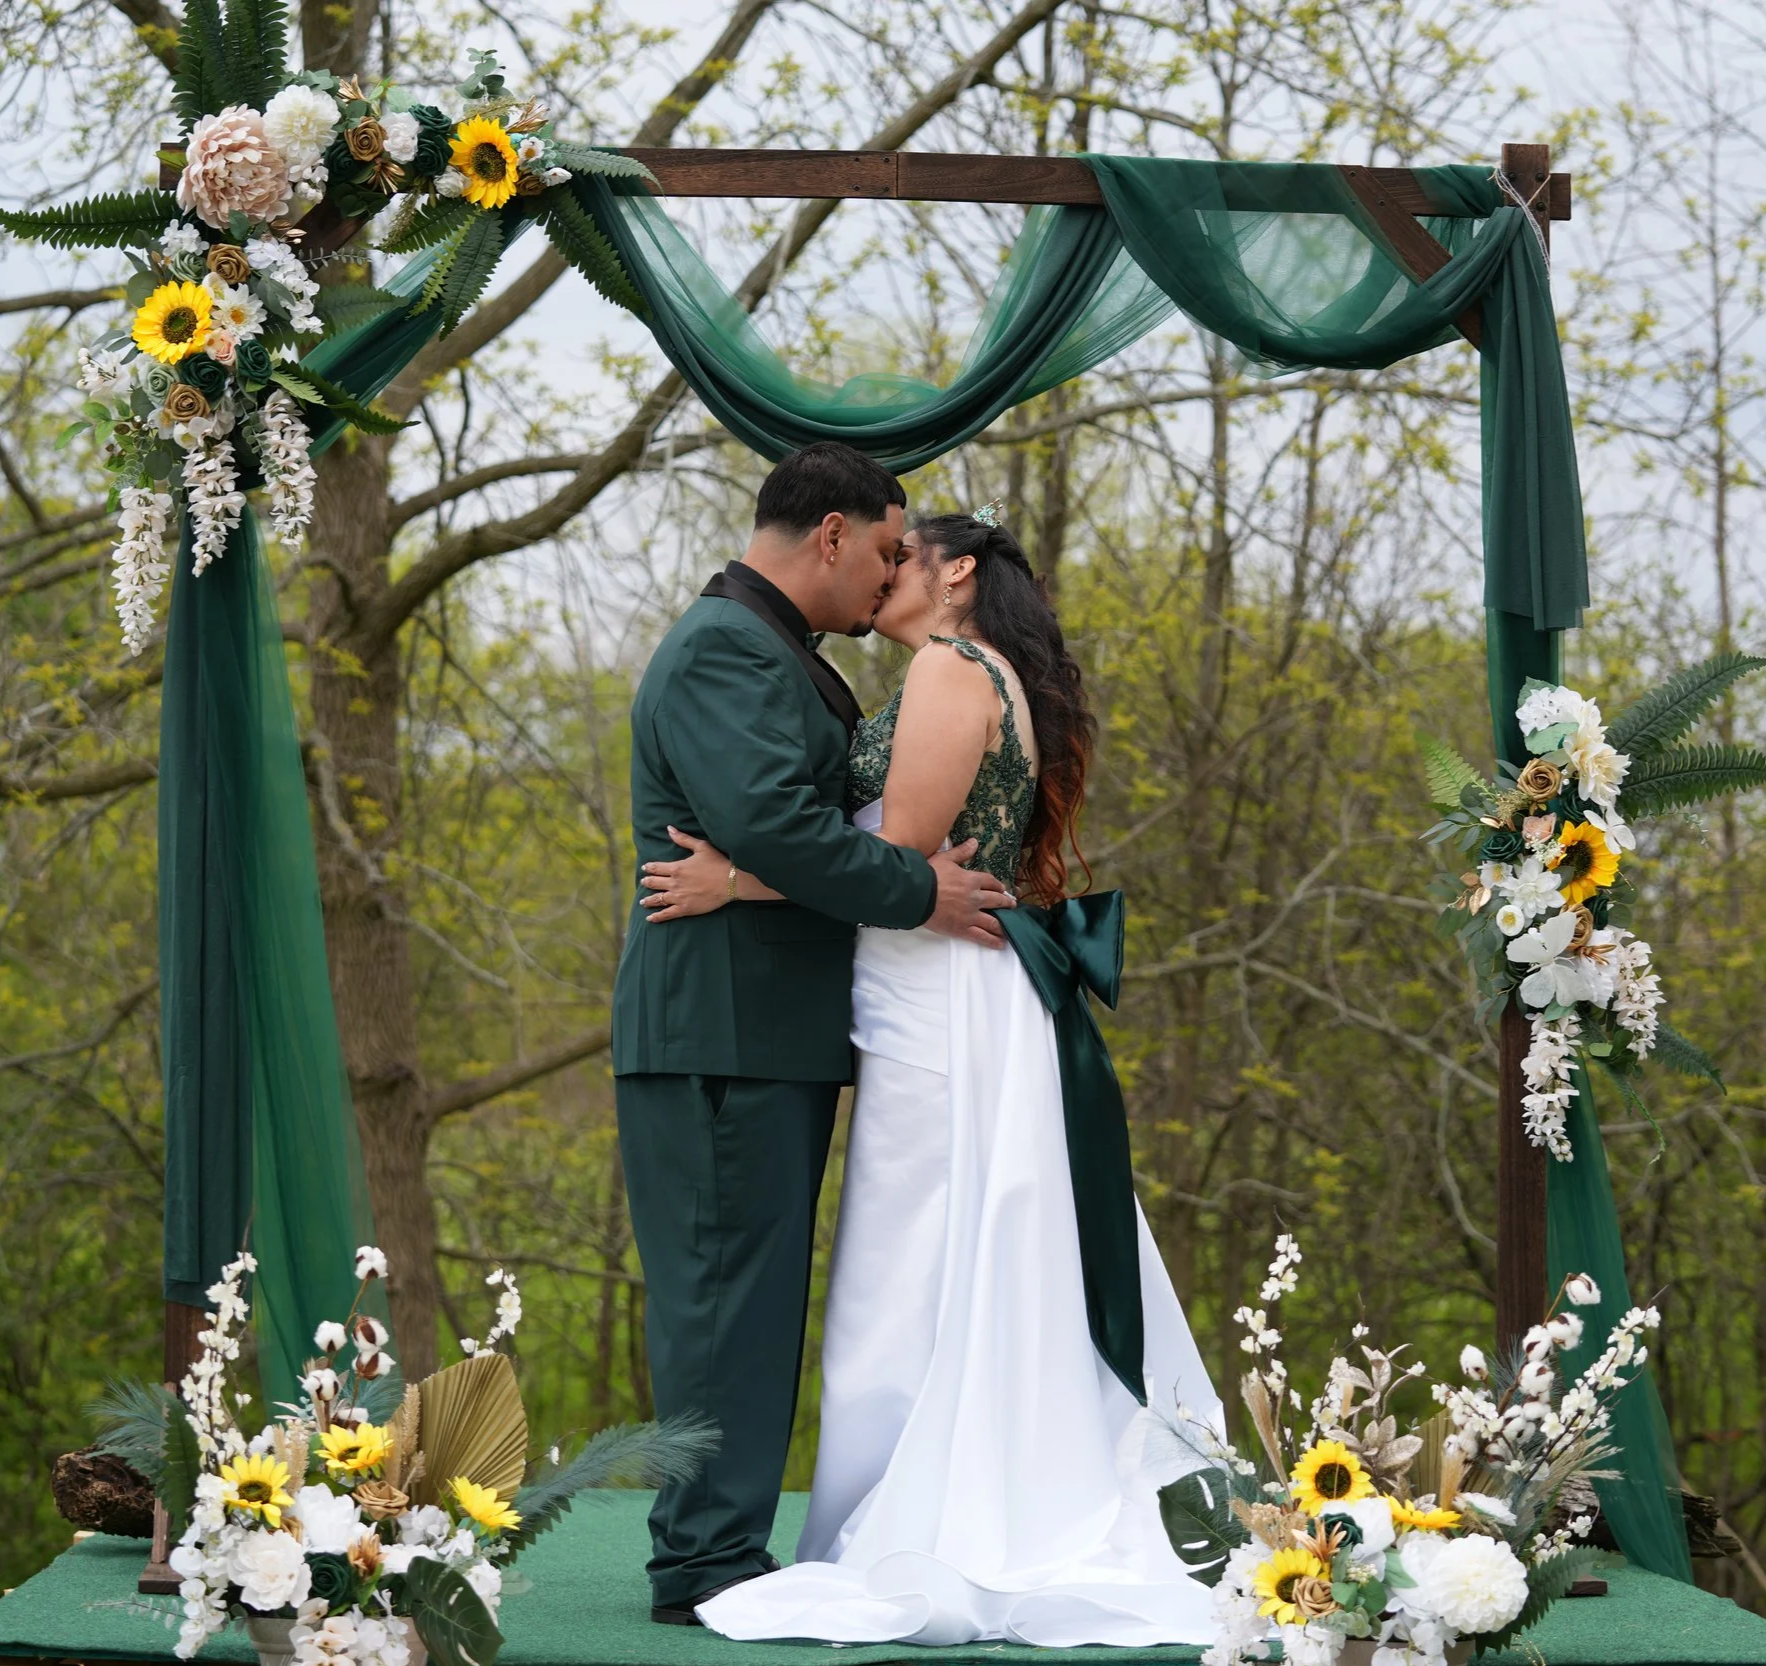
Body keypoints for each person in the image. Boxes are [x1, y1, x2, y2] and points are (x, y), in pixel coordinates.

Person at [637, 503, 1224, 1646]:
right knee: (938, 1255)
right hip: (923, 990)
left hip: (943, 1003)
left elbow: (897, 849)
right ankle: (935, 1485)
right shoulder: (955, 673)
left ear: (955, 574)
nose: (881, 575)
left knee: (915, 1261)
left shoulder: (957, 669)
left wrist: (736, 885)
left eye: (901, 558)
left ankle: (933, 1512)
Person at [610, 443, 1016, 1627]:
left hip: (765, 1028)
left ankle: (719, 1545)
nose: (894, 574)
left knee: (751, 1297)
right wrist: (916, 891)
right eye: (887, 551)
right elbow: (774, 822)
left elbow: (771, 835)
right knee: (721, 1299)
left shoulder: (773, 647)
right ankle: (700, 1564)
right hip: (719, 1032)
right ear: (828, 534)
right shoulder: (724, 648)